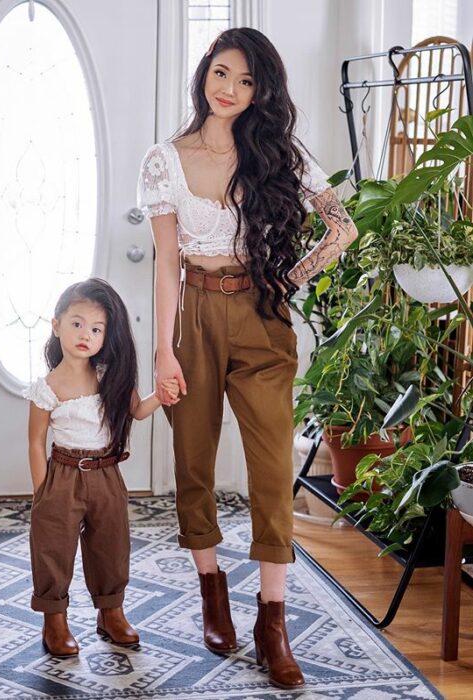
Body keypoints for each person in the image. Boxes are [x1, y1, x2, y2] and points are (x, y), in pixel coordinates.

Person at [138, 28, 358, 689]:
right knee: (194, 462)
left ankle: (272, 617)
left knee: (269, 472)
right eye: (222, 73)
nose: (230, 90)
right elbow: (166, 264)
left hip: (260, 315)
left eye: (246, 82)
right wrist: (162, 354)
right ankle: (210, 588)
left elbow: (340, 225)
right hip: (195, 316)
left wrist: (290, 278)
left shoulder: (274, 152)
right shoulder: (164, 160)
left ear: (259, 92)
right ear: (204, 73)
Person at [24, 278, 179, 657]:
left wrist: (161, 395)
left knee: (111, 545)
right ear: (56, 324)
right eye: (76, 323)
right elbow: (34, 441)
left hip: (107, 474)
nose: (85, 335)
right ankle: (54, 621)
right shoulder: (46, 388)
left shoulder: (109, 376)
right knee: (53, 549)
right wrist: (42, 492)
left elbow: (137, 411)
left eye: (96, 329)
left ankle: (111, 612)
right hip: (62, 474)